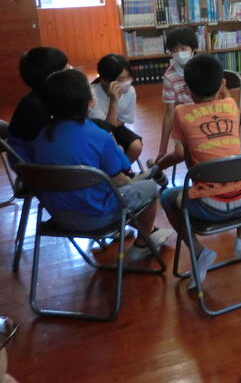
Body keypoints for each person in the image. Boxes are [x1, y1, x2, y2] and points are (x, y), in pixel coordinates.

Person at [31, 69, 169, 262]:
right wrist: (130, 177)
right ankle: (142, 245)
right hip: (96, 217)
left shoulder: (40, 137)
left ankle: (146, 232)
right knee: (149, 188)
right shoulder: (98, 135)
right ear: (88, 102)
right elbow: (120, 179)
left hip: (58, 216)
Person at [159, 54, 241, 288]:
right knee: (238, 174)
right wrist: (223, 89)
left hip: (209, 206)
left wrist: (157, 167)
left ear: (187, 89)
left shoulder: (181, 113)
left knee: (166, 197)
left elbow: (180, 155)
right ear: (221, 83)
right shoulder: (232, 106)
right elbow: (226, 98)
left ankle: (198, 252)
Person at [8, 47, 69, 162]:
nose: (70, 71)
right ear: (52, 77)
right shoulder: (36, 107)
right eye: (64, 69)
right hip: (36, 166)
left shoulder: (40, 97)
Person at [152, 27, 198, 177]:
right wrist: (162, 149)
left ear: (193, 49)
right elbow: (169, 112)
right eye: (174, 50)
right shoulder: (170, 76)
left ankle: (199, 177)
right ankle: (156, 169)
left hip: (205, 116)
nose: (179, 53)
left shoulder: (203, 68)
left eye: (183, 48)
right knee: (181, 152)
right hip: (183, 121)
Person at [89, 54, 143, 163]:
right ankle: (115, 170)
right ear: (104, 81)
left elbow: (122, 121)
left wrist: (111, 123)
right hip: (95, 132)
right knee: (113, 149)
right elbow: (104, 130)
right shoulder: (92, 95)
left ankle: (124, 170)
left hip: (114, 126)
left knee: (136, 146)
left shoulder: (130, 91)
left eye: (128, 77)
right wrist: (114, 101)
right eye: (121, 79)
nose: (127, 82)